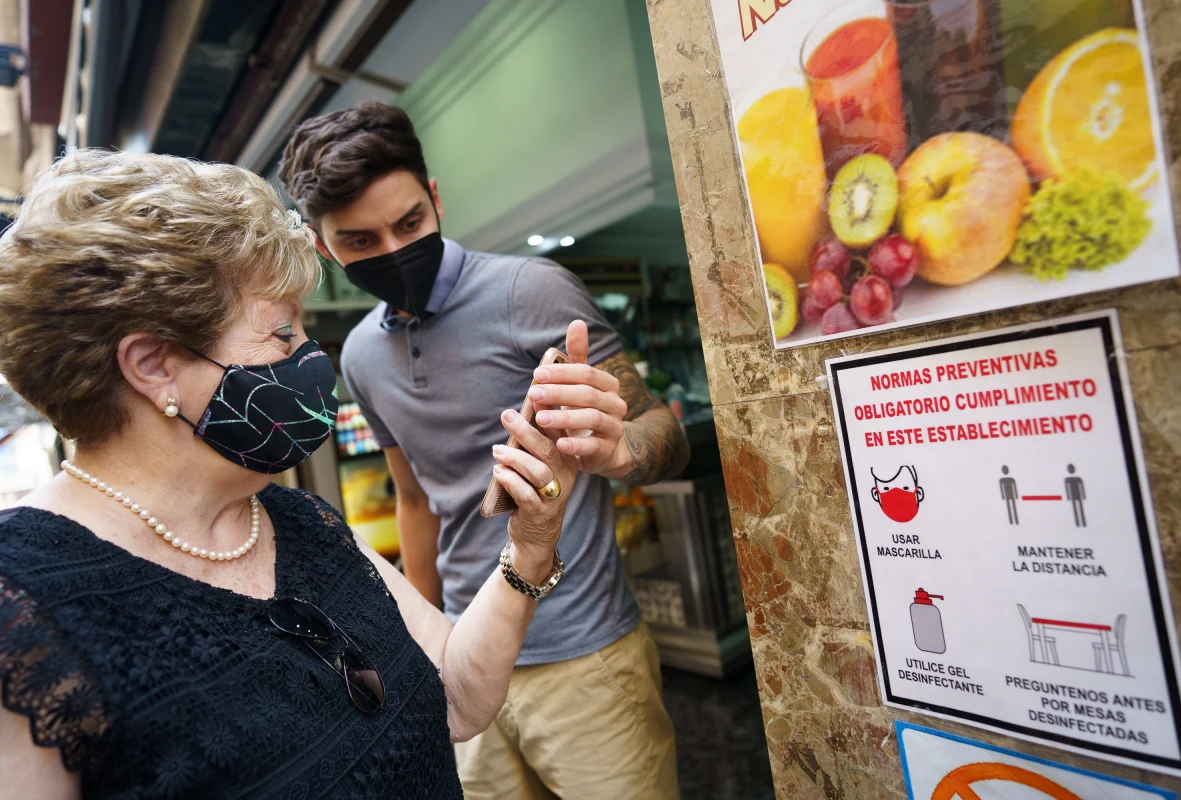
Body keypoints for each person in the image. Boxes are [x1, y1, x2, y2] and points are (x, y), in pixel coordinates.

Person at [0, 149, 581, 798]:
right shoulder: (24, 610)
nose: (311, 356)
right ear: (154, 366)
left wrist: (530, 546)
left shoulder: (299, 521)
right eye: (282, 335)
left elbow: (460, 699)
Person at [280, 101, 689, 798]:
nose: (392, 250)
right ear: (325, 248)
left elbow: (664, 433)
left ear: (435, 198)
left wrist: (623, 450)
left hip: (586, 657)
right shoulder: (361, 359)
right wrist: (419, 649)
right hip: (465, 659)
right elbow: (415, 500)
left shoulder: (532, 291)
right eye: (360, 241)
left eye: (409, 224)